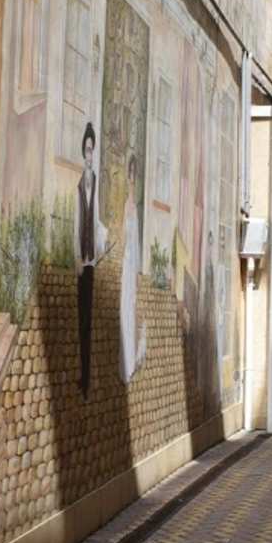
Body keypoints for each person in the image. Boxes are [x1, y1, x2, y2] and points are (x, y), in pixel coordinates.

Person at [73, 121, 108, 399]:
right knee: (80, 319)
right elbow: (77, 223)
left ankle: (86, 381)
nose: (89, 155)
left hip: (91, 262)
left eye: (92, 150)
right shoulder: (78, 185)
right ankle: (82, 376)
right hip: (80, 262)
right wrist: (76, 256)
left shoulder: (95, 183)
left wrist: (100, 246)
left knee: (88, 321)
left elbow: (95, 220)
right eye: (86, 150)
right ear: (82, 152)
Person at [119, 154, 148, 384]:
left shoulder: (135, 208)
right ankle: (126, 361)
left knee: (131, 307)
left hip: (132, 263)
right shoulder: (125, 207)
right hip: (125, 261)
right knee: (124, 308)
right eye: (129, 175)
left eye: (134, 176)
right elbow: (123, 238)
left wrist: (137, 270)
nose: (131, 180)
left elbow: (136, 241)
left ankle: (131, 360)